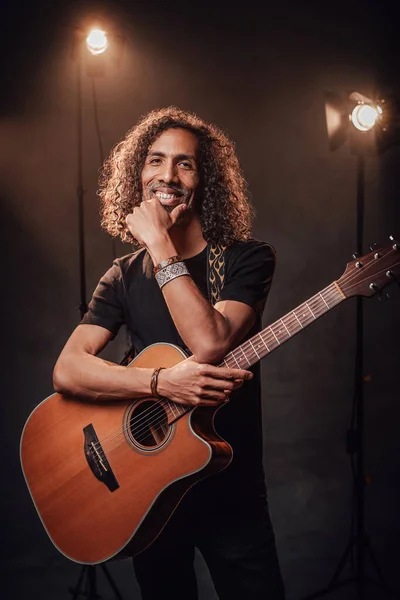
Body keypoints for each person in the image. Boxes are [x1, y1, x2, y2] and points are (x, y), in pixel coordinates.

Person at [53, 106, 286, 600]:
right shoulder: (122, 275)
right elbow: (68, 369)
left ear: (207, 181)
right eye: (156, 160)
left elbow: (210, 342)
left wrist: (160, 243)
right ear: (138, 173)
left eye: (186, 164)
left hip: (231, 491)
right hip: (147, 493)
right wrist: (159, 383)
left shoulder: (246, 258)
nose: (168, 175)